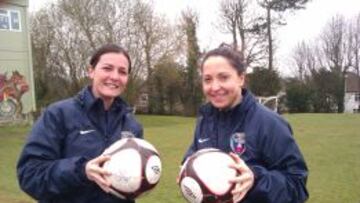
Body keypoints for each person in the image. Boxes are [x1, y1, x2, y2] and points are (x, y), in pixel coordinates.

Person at [182, 44, 309, 203]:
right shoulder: (206, 121)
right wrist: (187, 172)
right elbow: (192, 158)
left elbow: (297, 185)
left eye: (223, 77)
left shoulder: (269, 123)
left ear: (241, 78)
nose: (214, 87)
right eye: (208, 79)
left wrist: (255, 180)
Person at [17, 44, 143, 203]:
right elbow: (30, 175)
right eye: (107, 68)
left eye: (122, 72)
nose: (115, 76)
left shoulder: (132, 126)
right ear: (91, 71)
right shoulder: (58, 114)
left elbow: (132, 183)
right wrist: (81, 170)